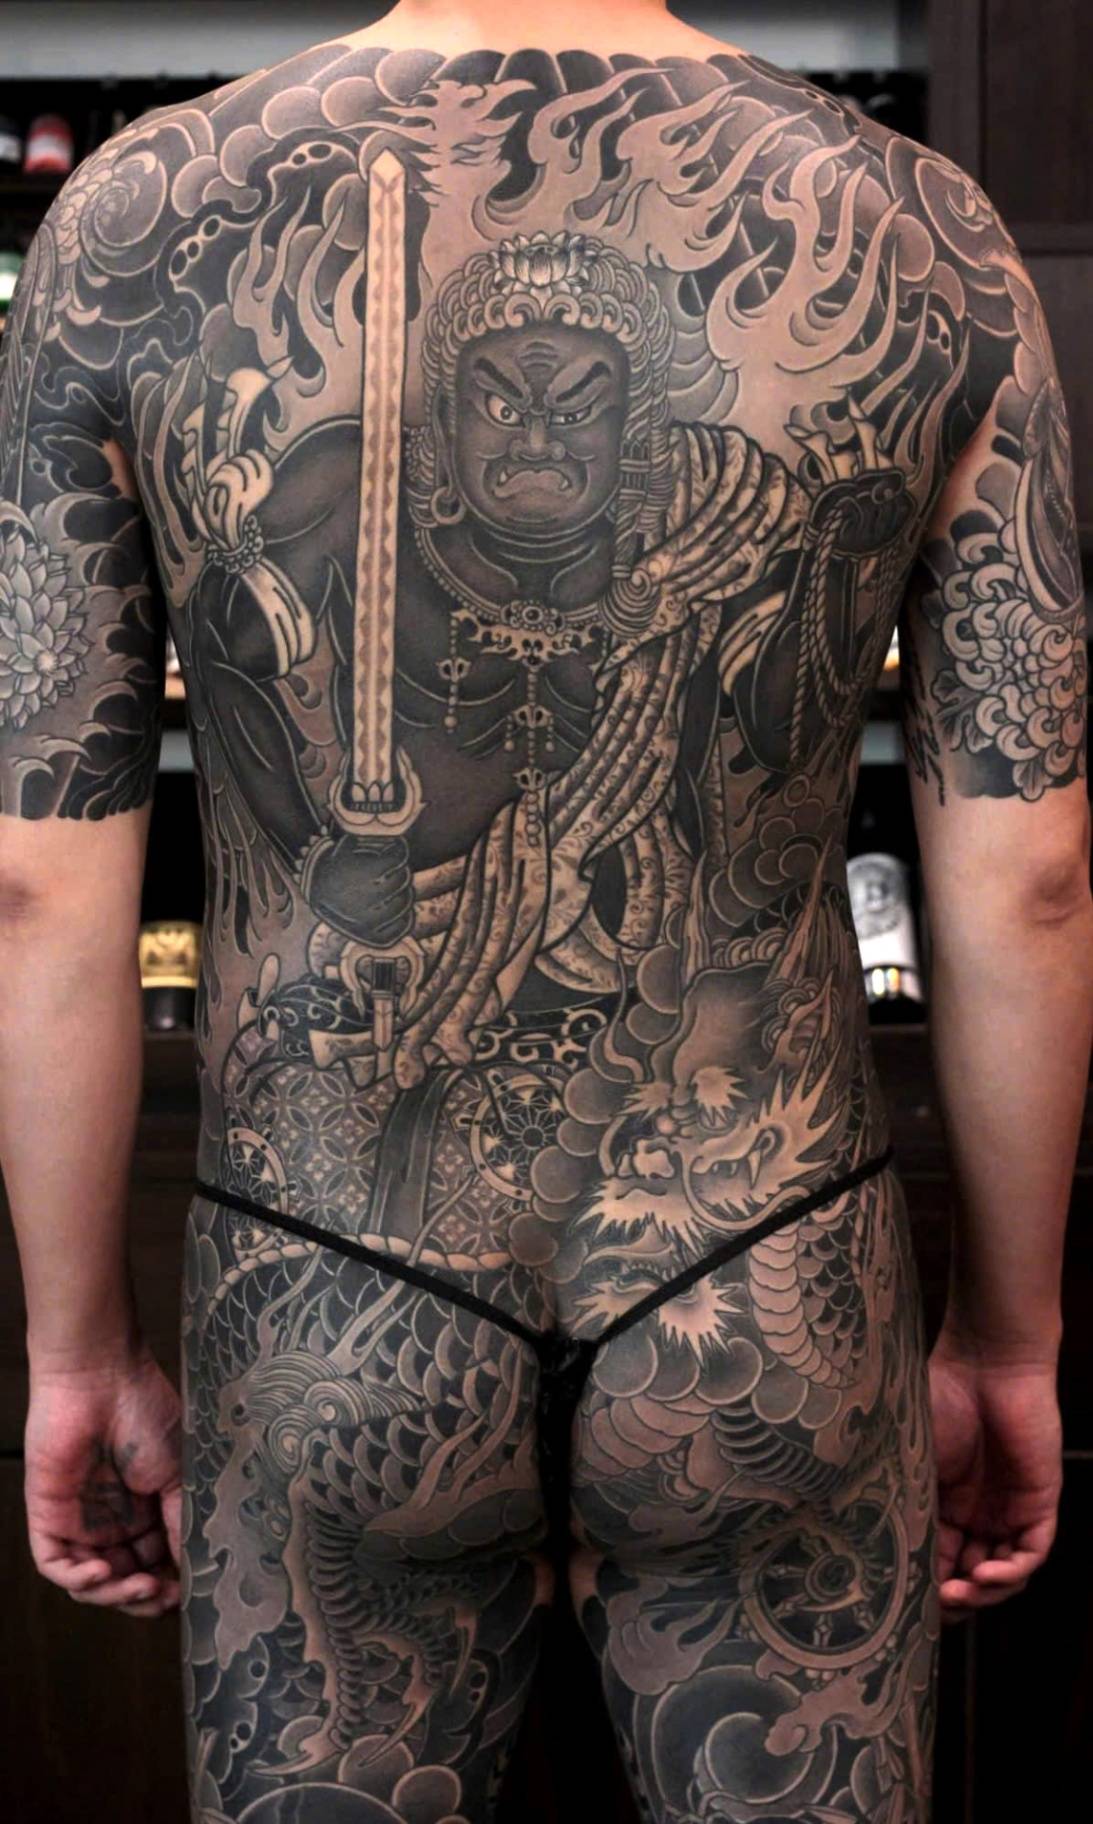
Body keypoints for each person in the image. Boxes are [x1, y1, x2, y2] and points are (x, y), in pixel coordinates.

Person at [0, 1, 1089, 1817]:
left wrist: (76, 1348)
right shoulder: (922, 235)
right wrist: (1009, 1336)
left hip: (327, 1279)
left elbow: (38, 876)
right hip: (764, 1274)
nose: (532, 439)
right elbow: (1028, 875)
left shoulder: (135, 222)